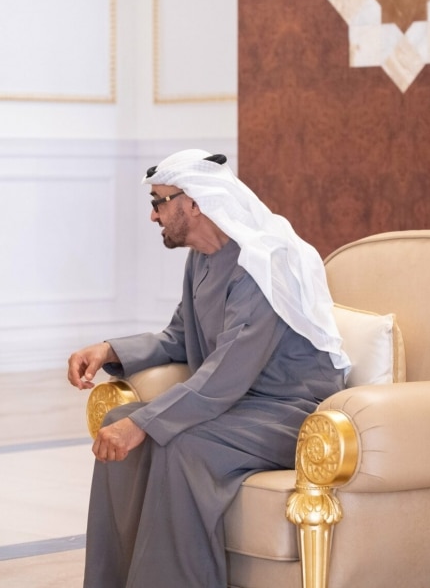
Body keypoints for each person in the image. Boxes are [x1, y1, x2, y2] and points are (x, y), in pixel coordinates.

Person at [67, 149, 350, 587]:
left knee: (179, 443)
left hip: (289, 413)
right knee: (116, 421)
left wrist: (145, 423)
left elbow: (224, 375)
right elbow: (180, 337)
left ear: (194, 203)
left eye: (159, 203)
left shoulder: (260, 263)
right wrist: (109, 350)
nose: (153, 216)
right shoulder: (202, 258)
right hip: (236, 406)